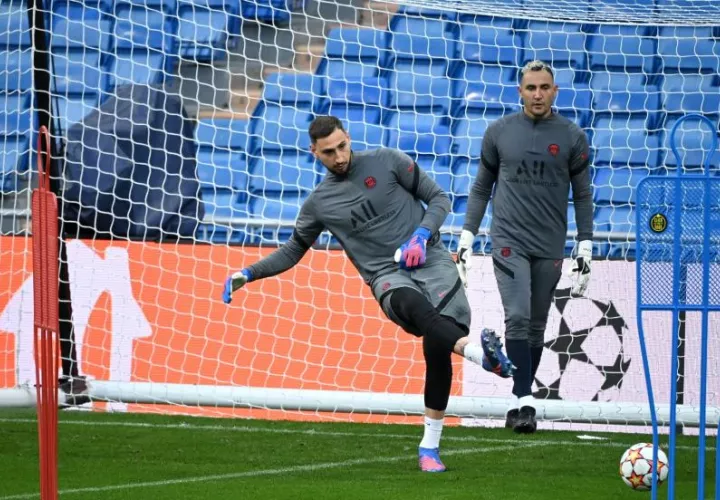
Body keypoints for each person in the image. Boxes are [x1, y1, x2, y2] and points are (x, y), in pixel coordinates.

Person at [222, 115, 515, 472]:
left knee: (437, 344)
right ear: (314, 152)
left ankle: (429, 447)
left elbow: (438, 198)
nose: (340, 157)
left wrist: (421, 235)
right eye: (329, 152)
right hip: (387, 275)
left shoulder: (388, 160)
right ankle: (480, 357)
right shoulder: (320, 203)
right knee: (411, 304)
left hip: (432, 258)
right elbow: (293, 250)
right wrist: (249, 273)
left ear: (348, 137)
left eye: (342, 146)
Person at [455, 60, 595, 434]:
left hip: (549, 245)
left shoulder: (572, 136)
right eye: (530, 87)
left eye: (544, 87)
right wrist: (467, 236)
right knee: (516, 315)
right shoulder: (498, 132)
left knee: (535, 326)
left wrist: (585, 245)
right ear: (519, 91)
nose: (537, 94)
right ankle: (524, 400)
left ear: (555, 91)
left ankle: (522, 399)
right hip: (508, 242)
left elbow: (582, 195)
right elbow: (482, 187)